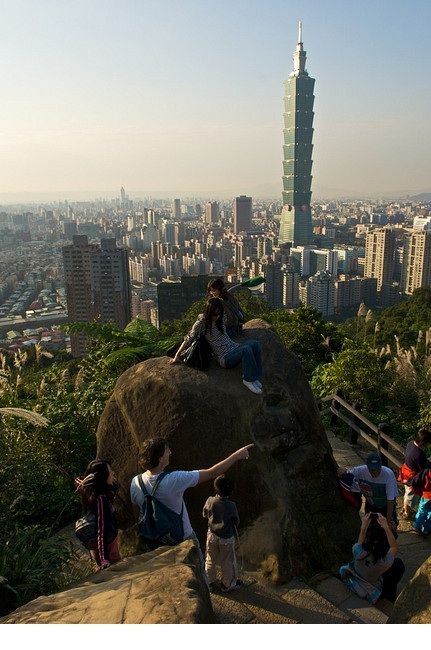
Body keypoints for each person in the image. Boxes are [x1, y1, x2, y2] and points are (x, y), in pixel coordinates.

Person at [129, 438, 253, 560]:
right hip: (182, 540)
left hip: (155, 543)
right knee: (197, 574)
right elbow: (212, 473)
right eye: (167, 450)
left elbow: (138, 515)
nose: (170, 452)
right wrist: (237, 455)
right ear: (160, 459)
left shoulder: (136, 483)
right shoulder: (174, 480)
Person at [170, 297, 263, 395]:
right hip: (224, 357)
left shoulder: (221, 318)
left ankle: (254, 376)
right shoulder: (201, 323)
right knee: (247, 349)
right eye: (214, 314)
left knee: (255, 344)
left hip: (234, 348)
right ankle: (248, 380)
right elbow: (188, 339)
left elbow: (231, 319)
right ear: (208, 312)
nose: (217, 316)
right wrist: (177, 355)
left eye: (219, 313)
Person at [339, 513, 405, 604]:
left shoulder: (358, 550)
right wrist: (386, 527)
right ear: (383, 541)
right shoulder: (383, 562)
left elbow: (361, 539)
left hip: (356, 576)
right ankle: (389, 595)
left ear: (367, 538)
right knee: (398, 564)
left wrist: (364, 525)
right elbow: (394, 547)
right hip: (370, 586)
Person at [75, 460, 120, 570]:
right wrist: (104, 558)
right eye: (110, 471)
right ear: (102, 476)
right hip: (107, 548)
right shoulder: (100, 499)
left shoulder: (92, 492)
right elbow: (101, 529)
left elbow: (115, 486)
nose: (113, 473)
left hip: (105, 545)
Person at [337, 453, 399, 532]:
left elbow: (391, 500)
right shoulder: (360, 471)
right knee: (369, 528)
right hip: (370, 504)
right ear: (367, 467)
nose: (375, 472)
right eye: (372, 470)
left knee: (390, 529)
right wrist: (342, 470)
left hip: (386, 506)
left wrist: (389, 520)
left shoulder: (388, 474)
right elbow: (347, 473)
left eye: (377, 469)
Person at [203, 474, 242, 593]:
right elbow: (236, 521)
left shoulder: (210, 500)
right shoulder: (231, 505)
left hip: (212, 535)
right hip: (226, 539)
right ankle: (227, 584)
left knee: (210, 559)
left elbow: (204, 514)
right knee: (227, 562)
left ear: (216, 488)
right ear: (230, 491)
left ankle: (208, 582)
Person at [398, 428, 431, 519]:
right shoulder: (419, 453)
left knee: (407, 492)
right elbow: (422, 469)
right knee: (411, 496)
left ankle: (405, 508)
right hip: (412, 476)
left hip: (406, 471)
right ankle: (407, 513)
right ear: (423, 442)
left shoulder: (410, 444)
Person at [410, 466, 431, 536]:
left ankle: (417, 526)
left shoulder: (427, 471)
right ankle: (426, 530)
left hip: (426, 495)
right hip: (427, 495)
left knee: (422, 511)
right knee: (430, 514)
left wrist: (417, 491)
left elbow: (416, 480)